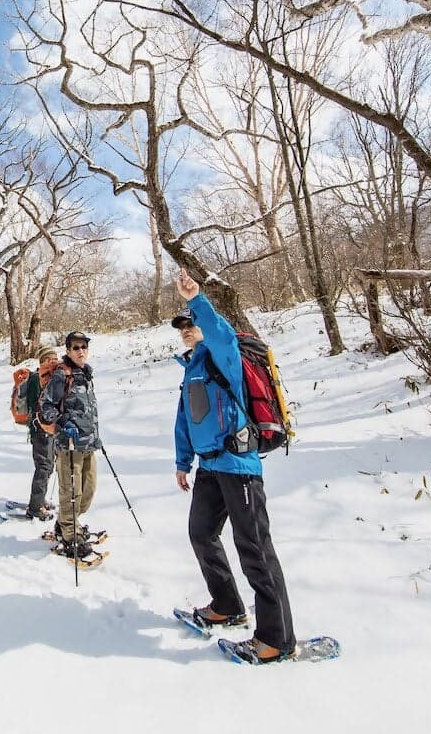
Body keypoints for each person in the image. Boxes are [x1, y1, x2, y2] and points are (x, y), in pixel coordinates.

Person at [172, 271, 296, 664]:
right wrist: (182, 462)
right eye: (183, 328)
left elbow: (221, 333)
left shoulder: (225, 356)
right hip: (209, 465)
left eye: (191, 325)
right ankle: (227, 605)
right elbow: (185, 419)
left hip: (238, 464)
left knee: (255, 548)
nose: (187, 330)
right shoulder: (192, 368)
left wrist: (197, 300)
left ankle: (277, 639)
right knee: (201, 532)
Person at [39, 330, 102, 559]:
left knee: (88, 491)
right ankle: (70, 534)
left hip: (89, 444)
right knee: (71, 493)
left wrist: (96, 435)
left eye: (84, 347)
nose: (80, 351)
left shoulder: (86, 374)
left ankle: (65, 522)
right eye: (75, 347)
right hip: (69, 446)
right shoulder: (61, 375)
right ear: (67, 350)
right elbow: (46, 407)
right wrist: (63, 424)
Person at [15, 345, 61, 520]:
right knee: (43, 467)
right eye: (49, 359)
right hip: (40, 430)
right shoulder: (36, 378)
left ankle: (39, 500)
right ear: (42, 361)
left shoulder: (49, 376)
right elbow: (40, 404)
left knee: (48, 467)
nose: (53, 361)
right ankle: (35, 507)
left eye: (55, 358)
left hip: (49, 430)